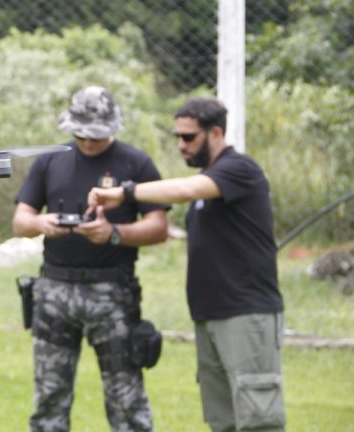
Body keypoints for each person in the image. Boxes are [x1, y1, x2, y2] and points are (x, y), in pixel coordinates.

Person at [87, 97, 286, 432]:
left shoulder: (239, 170)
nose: (181, 145)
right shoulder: (209, 186)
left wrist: (125, 193)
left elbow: (181, 189)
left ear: (216, 133)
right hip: (210, 314)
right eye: (177, 136)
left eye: (189, 137)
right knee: (223, 420)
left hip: (246, 314)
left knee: (258, 419)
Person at [12, 86, 169, 432]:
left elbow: (159, 227)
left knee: (126, 399)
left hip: (112, 291)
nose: (87, 142)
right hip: (55, 290)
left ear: (113, 128)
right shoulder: (50, 160)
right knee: (50, 397)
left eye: (95, 136)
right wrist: (42, 223)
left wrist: (114, 233)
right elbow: (21, 221)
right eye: (80, 134)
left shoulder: (135, 163)